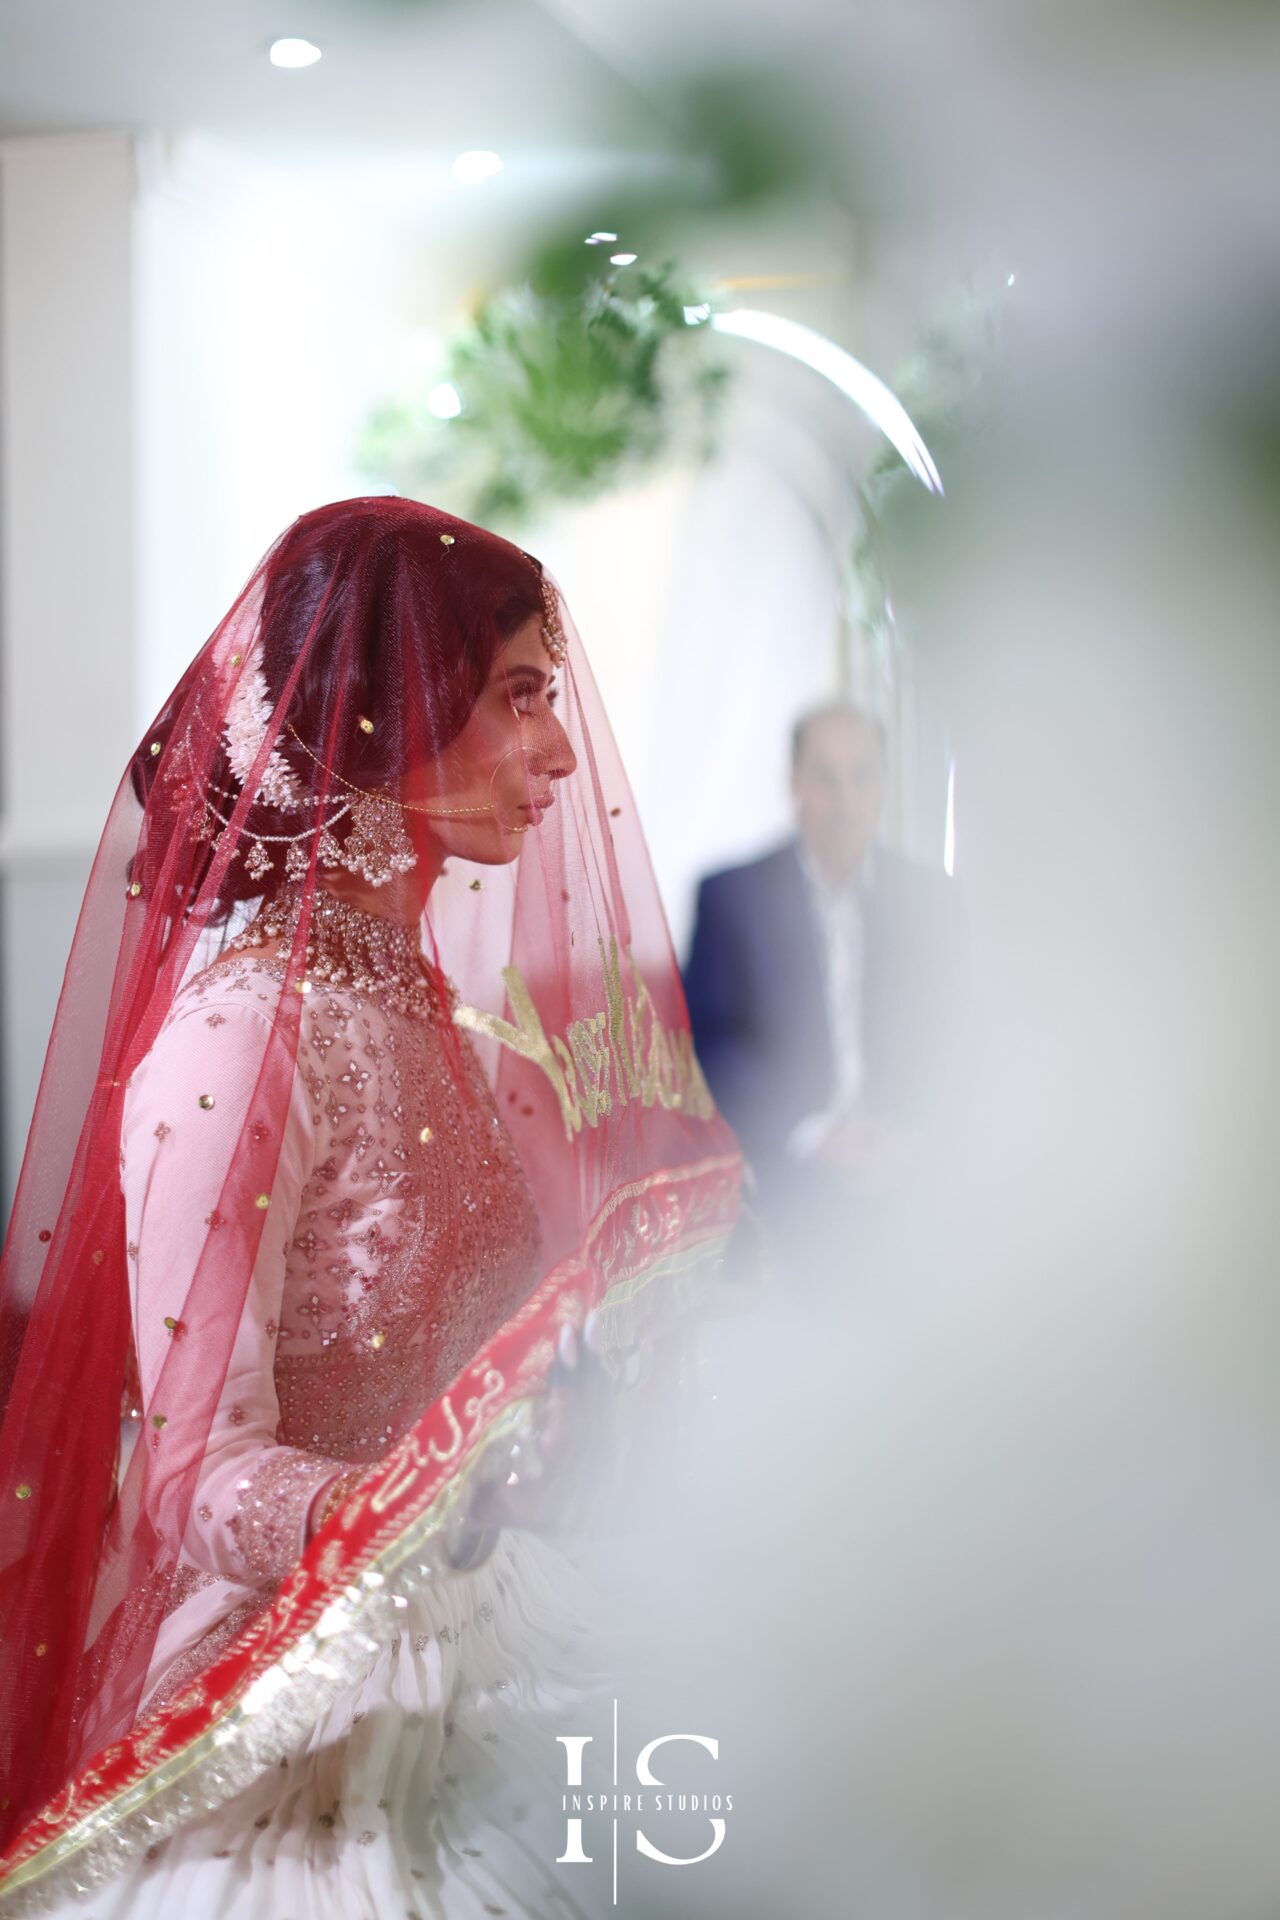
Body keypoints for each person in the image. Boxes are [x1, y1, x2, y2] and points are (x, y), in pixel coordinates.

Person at [0, 498, 742, 1914]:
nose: (562, 750)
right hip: (318, 1681)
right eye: (520, 698)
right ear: (391, 715)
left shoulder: (452, 1027)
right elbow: (189, 1483)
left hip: (506, 1609)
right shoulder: (237, 1043)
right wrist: (432, 1505)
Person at [683, 698, 968, 1263]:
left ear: (883, 785)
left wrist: (915, 1135)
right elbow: (707, 1052)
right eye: (825, 779)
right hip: (788, 1174)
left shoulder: (932, 900)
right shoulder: (731, 897)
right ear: (794, 782)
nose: (846, 802)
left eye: (862, 778)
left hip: (912, 1171)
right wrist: (810, 1136)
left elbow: (960, 1037)